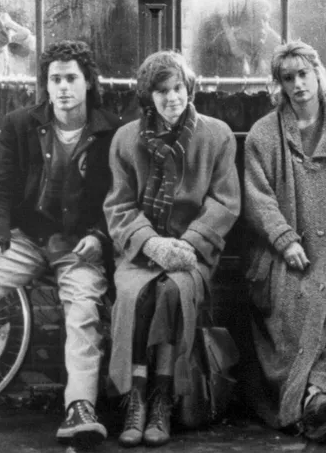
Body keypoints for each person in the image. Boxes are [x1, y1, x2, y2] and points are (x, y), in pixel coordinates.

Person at [0, 40, 118, 444]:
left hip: (78, 247)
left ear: (88, 82)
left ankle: (79, 407)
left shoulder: (112, 132)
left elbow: (121, 198)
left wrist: (100, 238)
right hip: (25, 239)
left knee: (83, 309)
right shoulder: (20, 125)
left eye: (72, 78)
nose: (63, 87)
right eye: (55, 79)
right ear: (45, 85)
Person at [105, 51, 240, 447]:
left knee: (170, 292)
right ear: (148, 97)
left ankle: (161, 398)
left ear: (189, 88)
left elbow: (224, 202)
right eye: (161, 92)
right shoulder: (126, 139)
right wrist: (151, 243)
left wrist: (187, 243)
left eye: (178, 88)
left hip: (191, 251)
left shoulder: (216, 135)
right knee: (137, 294)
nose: (172, 99)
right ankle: (136, 399)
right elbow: (119, 205)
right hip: (140, 251)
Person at [241, 41, 326, 441]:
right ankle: (313, 397)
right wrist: (285, 239)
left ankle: (317, 395)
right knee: (293, 303)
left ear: (317, 73)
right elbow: (257, 197)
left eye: (303, 74)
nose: (297, 84)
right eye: (287, 78)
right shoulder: (262, 134)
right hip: (280, 254)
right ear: (279, 85)